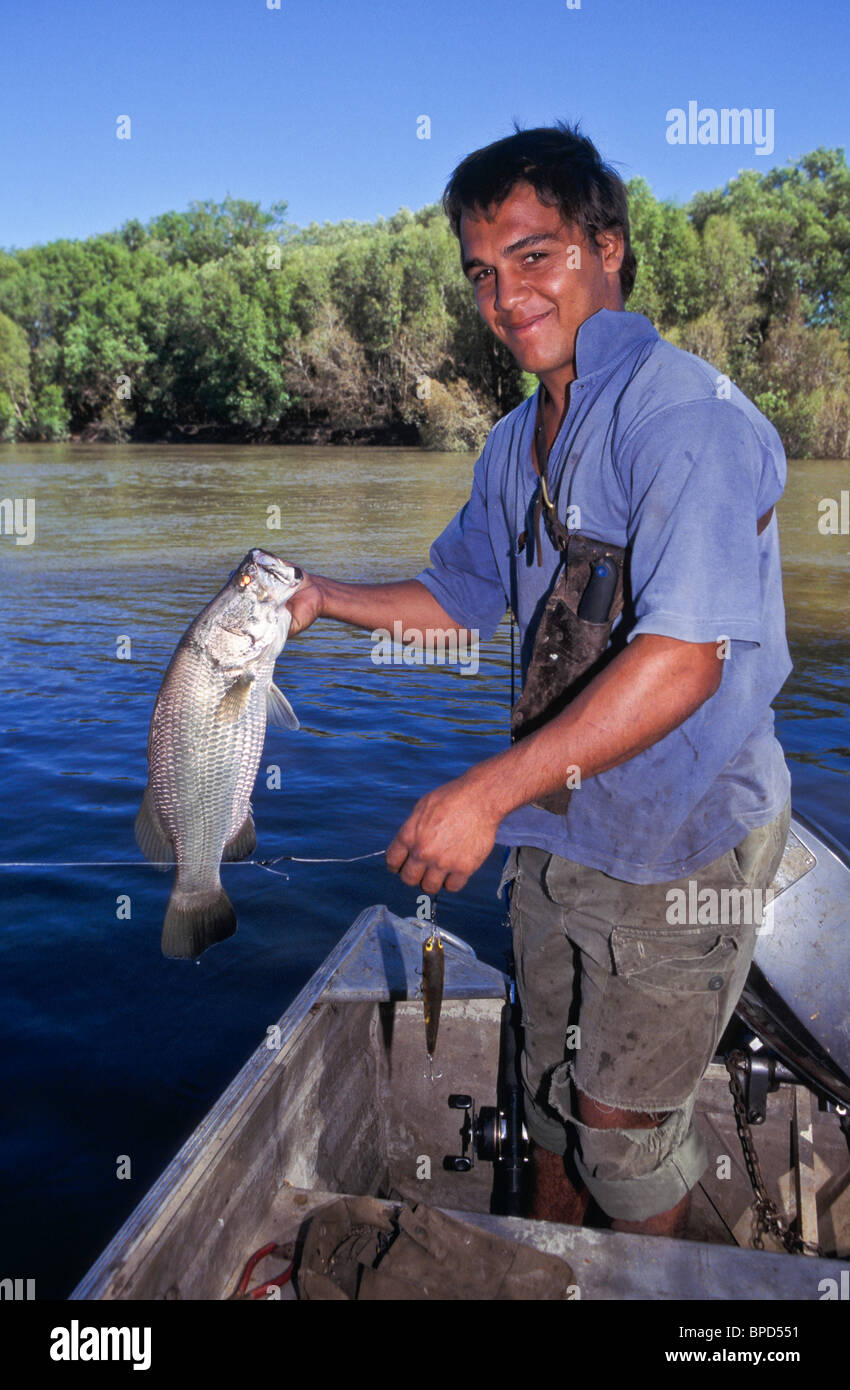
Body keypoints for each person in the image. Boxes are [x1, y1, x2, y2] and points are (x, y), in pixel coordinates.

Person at [287, 123, 792, 1238]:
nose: (505, 295)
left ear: (608, 248)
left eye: (535, 254)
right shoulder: (516, 440)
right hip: (563, 832)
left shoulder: (686, 419)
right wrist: (324, 597)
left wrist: (485, 793)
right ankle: (554, 1276)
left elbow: (680, 665)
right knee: (547, 1107)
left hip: (684, 836)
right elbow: (462, 596)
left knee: (615, 1126)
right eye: (482, 271)